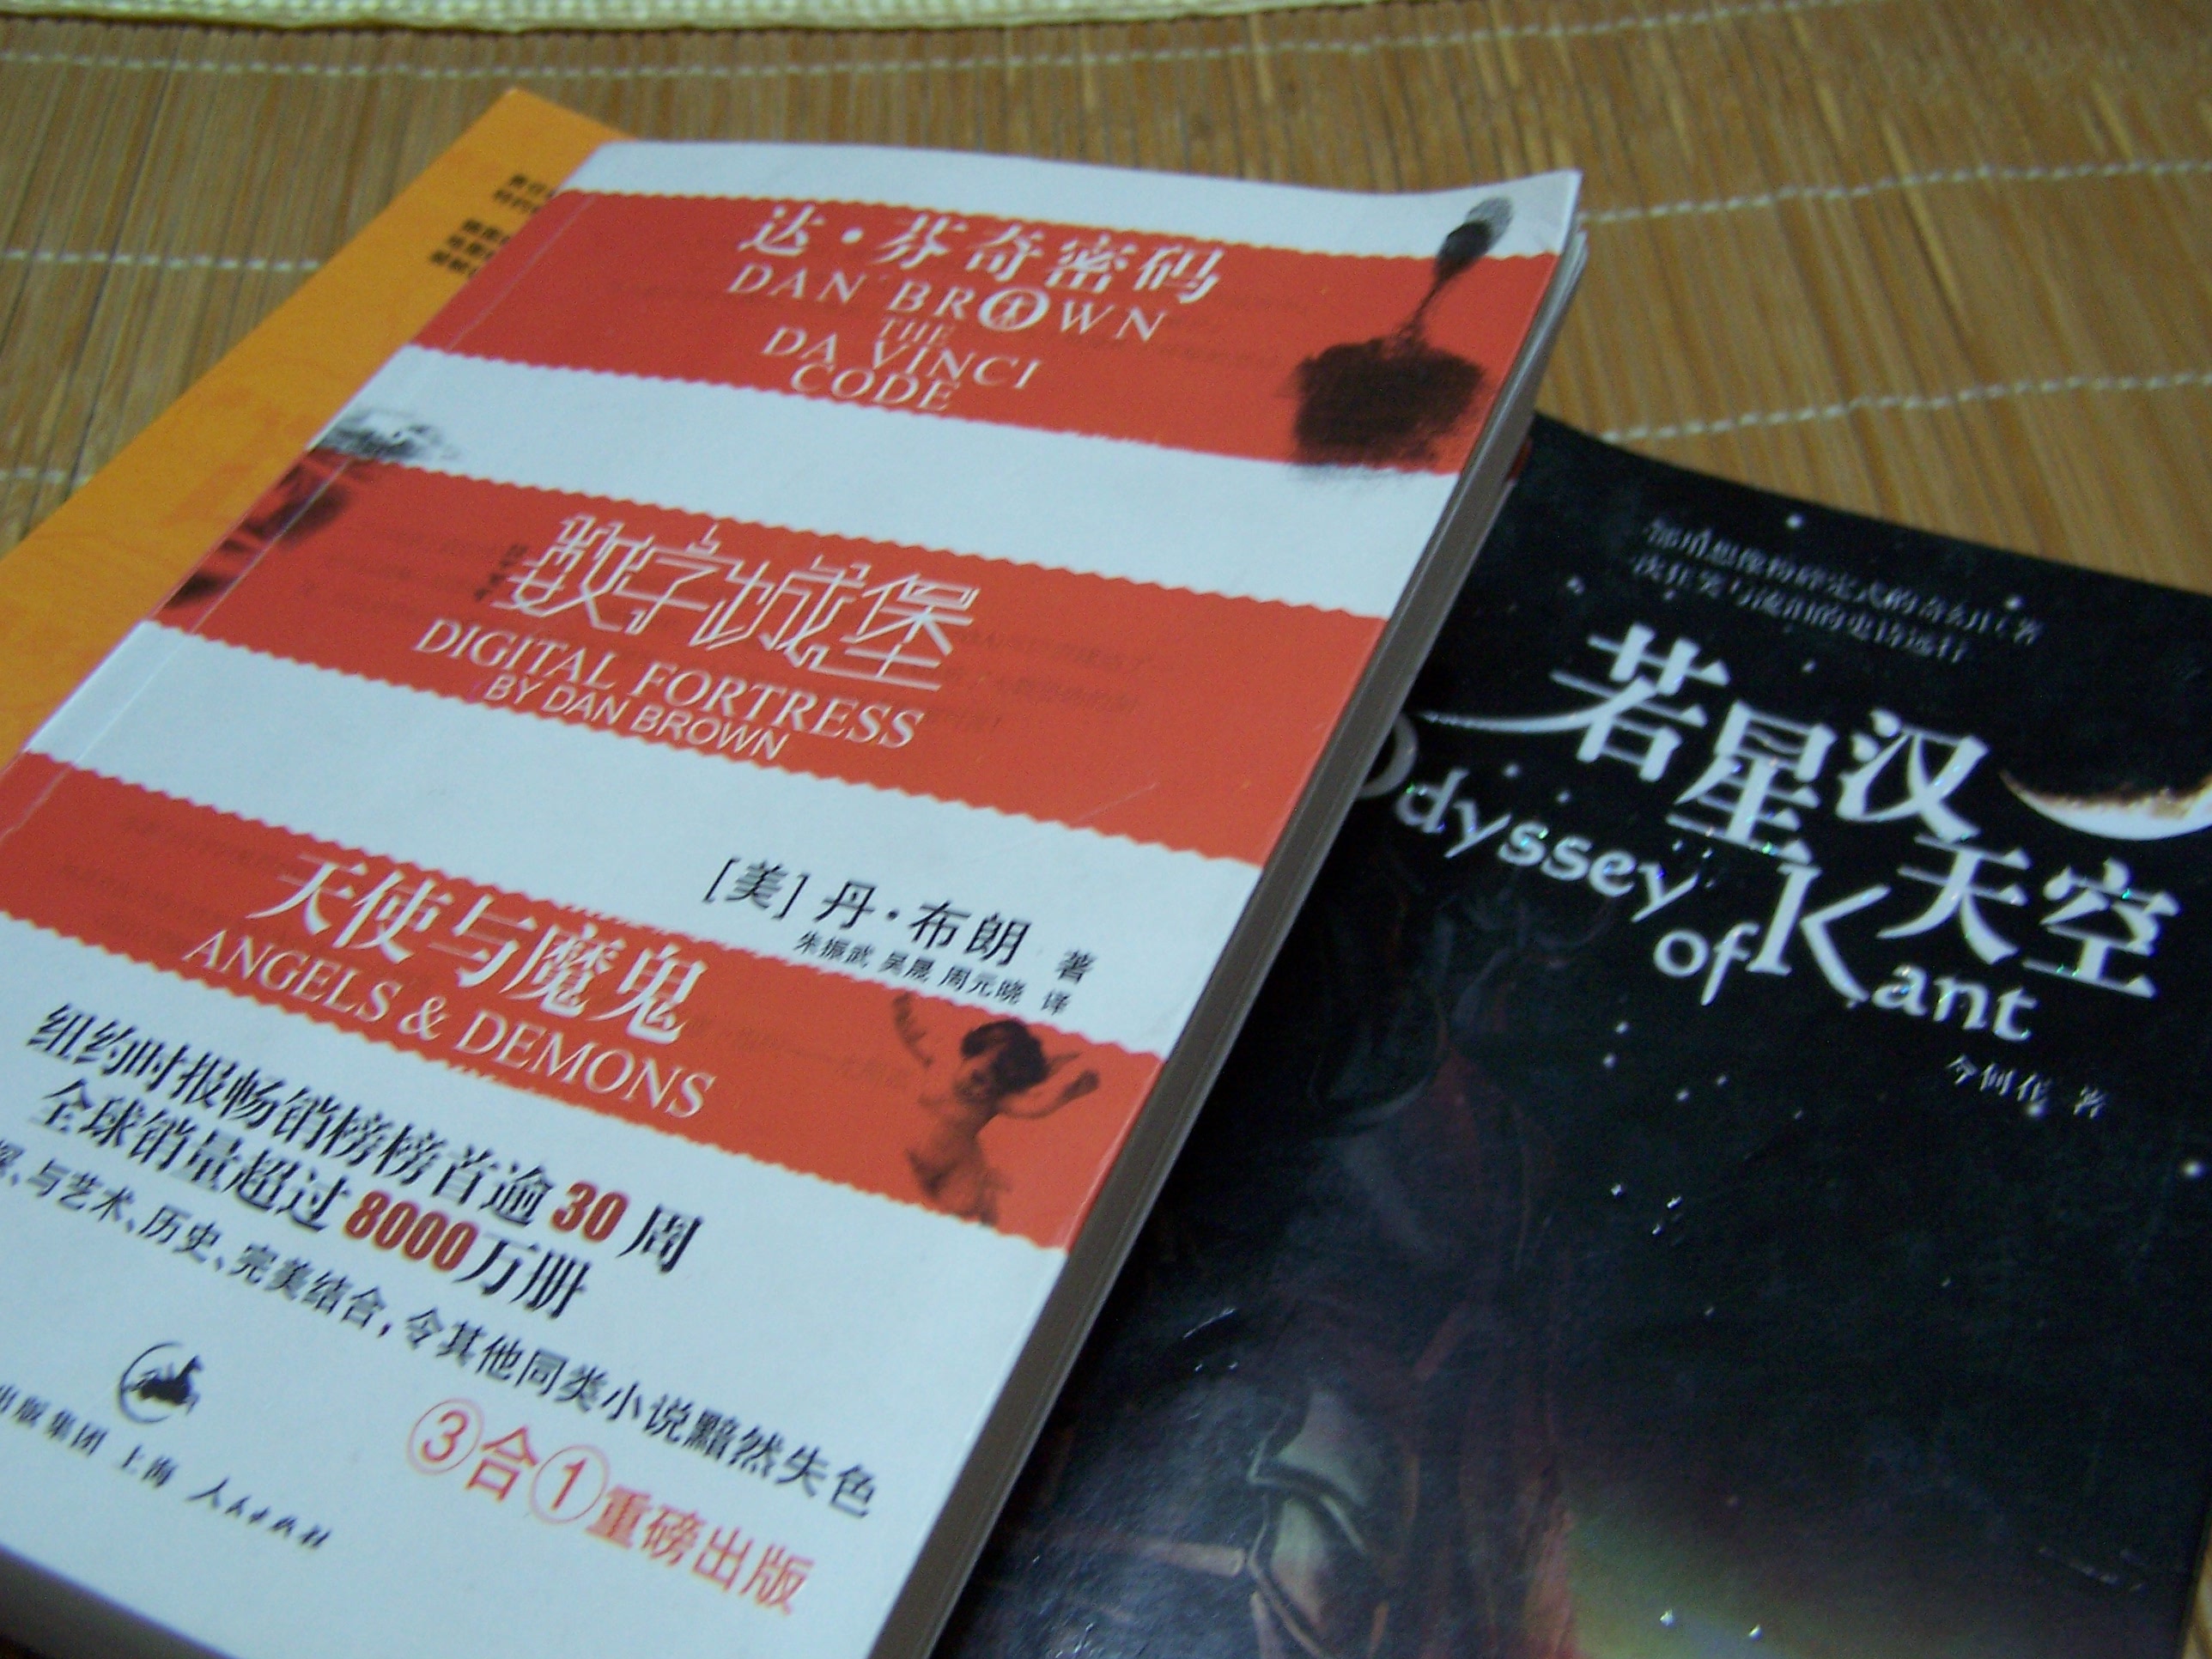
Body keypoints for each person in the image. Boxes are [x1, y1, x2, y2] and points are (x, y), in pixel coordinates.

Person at [891, 992, 1099, 1225]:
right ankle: (985, 1180)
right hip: (909, 1152)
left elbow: (1033, 1106)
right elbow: (916, 1037)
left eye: (991, 1089)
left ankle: (985, 1196)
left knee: (962, 1206)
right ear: (975, 1050)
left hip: (956, 1164)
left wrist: (1067, 1094)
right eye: (978, 1078)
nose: (978, 1091)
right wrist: (902, 1016)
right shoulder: (942, 1060)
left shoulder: (997, 1102)